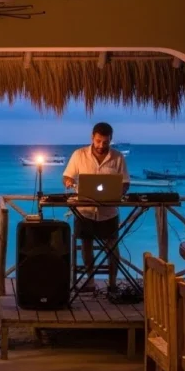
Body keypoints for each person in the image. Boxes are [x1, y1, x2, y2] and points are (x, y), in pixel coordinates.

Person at [62, 122, 130, 290]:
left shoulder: (118, 157)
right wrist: (69, 181)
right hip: (84, 211)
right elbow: (66, 176)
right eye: (98, 141)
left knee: (112, 246)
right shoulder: (79, 155)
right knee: (86, 244)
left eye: (105, 142)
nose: (101, 145)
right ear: (92, 137)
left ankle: (113, 283)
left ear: (111, 140)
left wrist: (118, 192)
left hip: (109, 211)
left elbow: (126, 182)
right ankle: (90, 280)